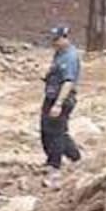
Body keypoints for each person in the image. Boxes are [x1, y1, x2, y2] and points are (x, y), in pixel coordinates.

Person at [40, 24, 82, 189]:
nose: (54, 43)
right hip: (50, 96)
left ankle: (55, 168)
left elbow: (68, 82)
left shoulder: (70, 57)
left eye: (57, 39)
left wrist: (58, 104)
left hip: (61, 99)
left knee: (56, 133)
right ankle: (74, 157)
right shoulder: (59, 53)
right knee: (47, 130)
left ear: (65, 37)